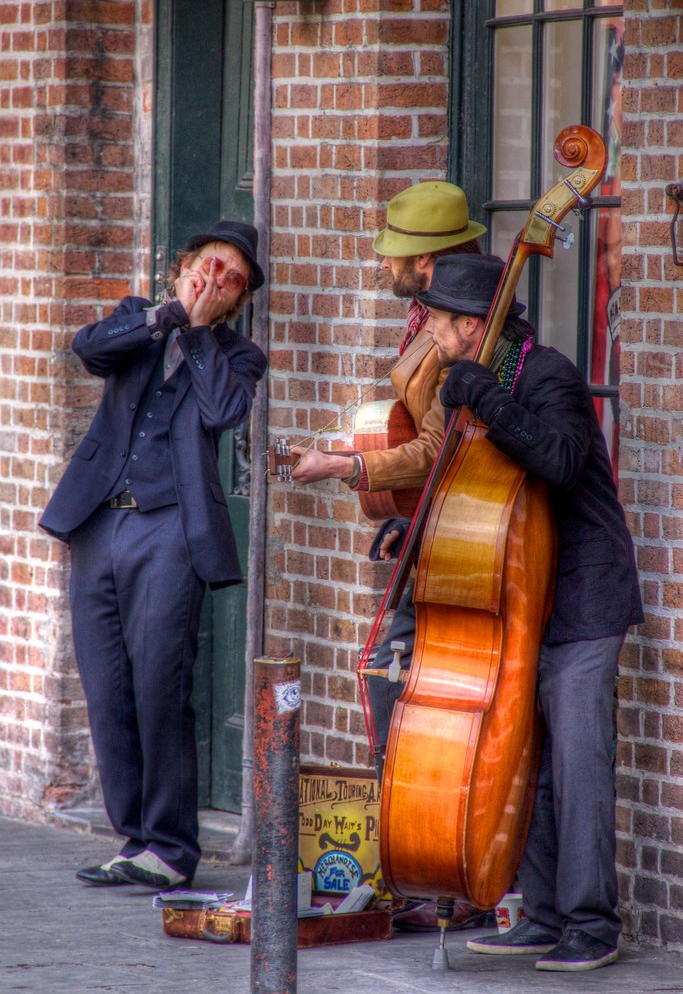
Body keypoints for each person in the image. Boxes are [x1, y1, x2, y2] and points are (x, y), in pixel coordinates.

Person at [414, 252, 642, 972]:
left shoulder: (546, 375)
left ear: (475, 325)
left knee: (577, 763)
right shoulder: (472, 381)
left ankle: (590, 924)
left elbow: (562, 459)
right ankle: (540, 914)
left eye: (442, 324)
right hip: (516, 592)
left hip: (580, 591)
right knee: (528, 759)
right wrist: (414, 528)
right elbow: (468, 488)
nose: (432, 335)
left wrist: (485, 399)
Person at [40, 221, 268, 890]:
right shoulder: (135, 320)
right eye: (208, 266)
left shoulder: (239, 354)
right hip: (98, 526)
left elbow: (225, 410)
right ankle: (132, 838)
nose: (215, 282)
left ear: (237, 298)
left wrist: (196, 335)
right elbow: (89, 350)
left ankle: (169, 848)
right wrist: (168, 318)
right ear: (183, 267)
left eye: (231, 279)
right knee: (106, 687)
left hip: (170, 530)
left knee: (159, 686)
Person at [290, 181, 487, 782]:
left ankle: (403, 824)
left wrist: (347, 465)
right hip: (429, 519)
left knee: (388, 665)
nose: (382, 263)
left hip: (463, 532)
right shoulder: (430, 315)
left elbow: (438, 444)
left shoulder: (463, 326)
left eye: (391, 252)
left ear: (424, 260)